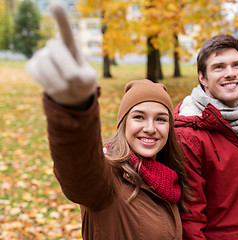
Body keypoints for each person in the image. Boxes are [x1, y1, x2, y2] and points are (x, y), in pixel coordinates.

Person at [26, 5, 190, 239]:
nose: (150, 128)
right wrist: (75, 108)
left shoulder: (169, 182)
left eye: (161, 119)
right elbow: (78, 167)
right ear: (123, 124)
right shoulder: (107, 181)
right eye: (139, 116)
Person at [174, 34, 238, 239]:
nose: (230, 73)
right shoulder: (189, 135)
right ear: (203, 78)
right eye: (219, 67)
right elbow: (190, 218)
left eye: (237, 65)